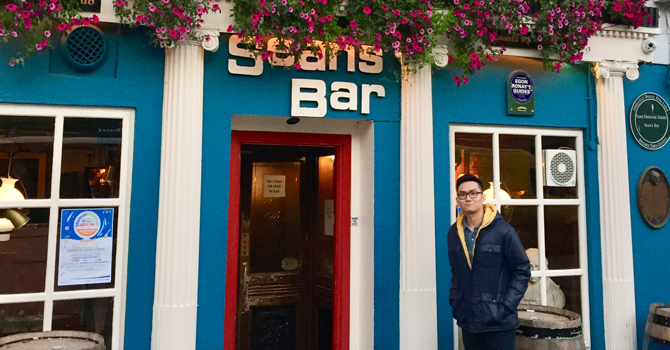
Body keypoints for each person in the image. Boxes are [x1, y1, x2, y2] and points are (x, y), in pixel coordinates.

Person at [448, 174, 531, 350]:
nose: (468, 198)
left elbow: (522, 270)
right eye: (462, 194)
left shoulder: (503, 231)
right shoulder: (454, 233)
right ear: (458, 200)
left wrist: (506, 306)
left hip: (499, 324)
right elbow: (456, 270)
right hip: (468, 320)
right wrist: (456, 300)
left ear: (483, 197)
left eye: (473, 193)